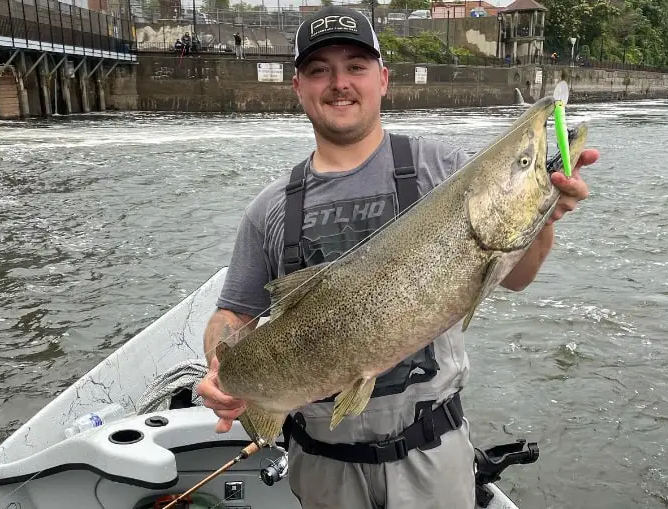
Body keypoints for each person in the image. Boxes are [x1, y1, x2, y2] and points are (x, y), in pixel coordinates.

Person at [197, 6, 599, 509]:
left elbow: (514, 277)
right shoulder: (268, 210)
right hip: (322, 465)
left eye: (356, 67)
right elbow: (233, 314)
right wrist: (220, 367)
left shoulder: (447, 170)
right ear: (298, 87)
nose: (339, 83)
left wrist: (545, 215)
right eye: (320, 70)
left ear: (383, 79)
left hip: (433, 452)